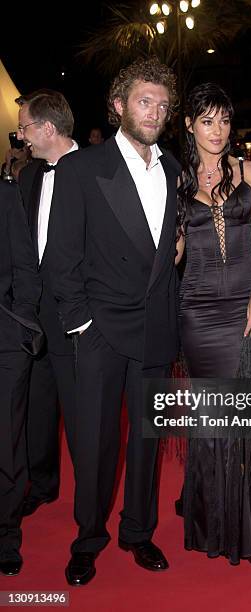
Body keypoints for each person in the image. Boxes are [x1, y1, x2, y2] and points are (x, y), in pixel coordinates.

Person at [47, 58, 179, 585]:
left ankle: (138, 532)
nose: (156, 112)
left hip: (154, 328)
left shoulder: (172, 168)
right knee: (96, 442)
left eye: (164, 104)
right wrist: (81, 326)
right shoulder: (82, 169)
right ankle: (88, 539)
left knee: (147, 441)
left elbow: (169, 247)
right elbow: (61, 256)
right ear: (119, 105)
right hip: (100, 330)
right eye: (146, 101)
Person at [176, 83, 251, 565]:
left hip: (248, 309)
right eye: (206, 121)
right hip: (196, 314)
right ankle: (212, 522)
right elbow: (173, 252)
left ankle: (249, 525)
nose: (217, 131)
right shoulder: (176, 181)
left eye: (223, 120)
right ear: (189, 125)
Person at [16, 89, 77, 516]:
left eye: (24, 128)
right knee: (38, 404)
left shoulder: (98, 171)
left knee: (82, 408)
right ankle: (42, 483)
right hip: (35, 312)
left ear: (47, 128)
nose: (21, 137)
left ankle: (92, 491)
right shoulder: (27, 176)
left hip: (79, 315)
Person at [0, 180, 42, 576]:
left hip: (5, 338)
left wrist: (23, 324)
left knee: (7, 442)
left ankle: (5, 535)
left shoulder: (6, 194)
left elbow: (25, 266)